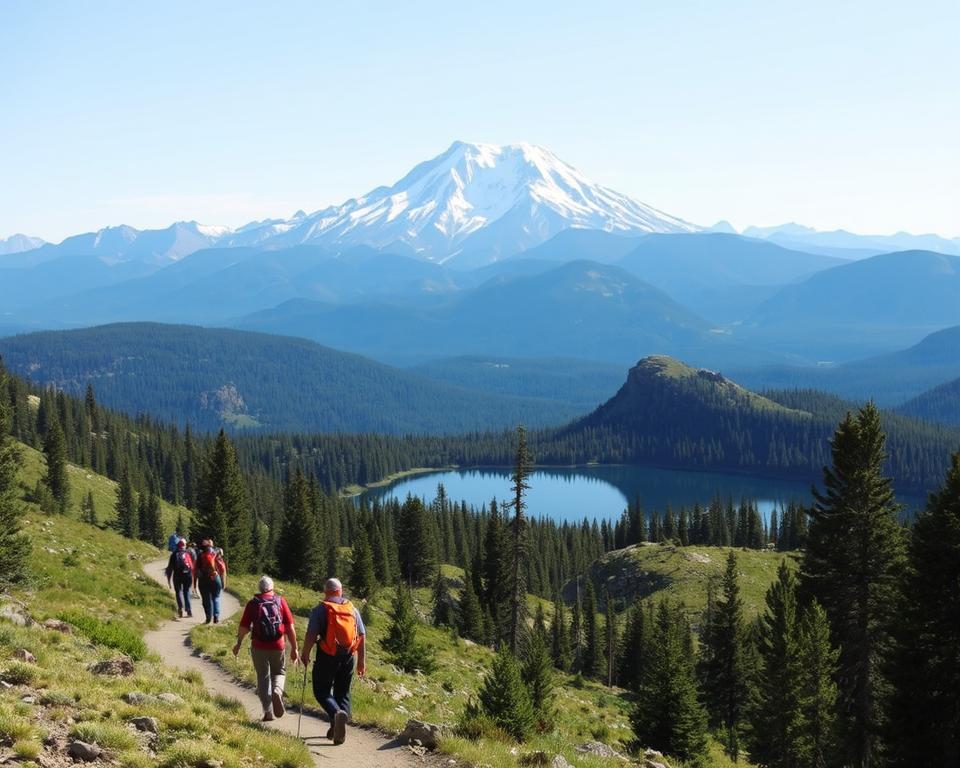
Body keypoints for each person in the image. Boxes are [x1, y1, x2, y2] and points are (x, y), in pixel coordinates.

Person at [300, 577, 366, 745]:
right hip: (349, 656)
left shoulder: (321, 609)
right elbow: (362, 636)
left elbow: (311, 635)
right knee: (342, 692)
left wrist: (305, 653)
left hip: (327, 656)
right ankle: (338, 724)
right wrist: (361, 662)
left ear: (325, 592)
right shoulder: (352, 609)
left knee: (321, 690)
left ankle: (337, 715)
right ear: (340, 590)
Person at [233, 576, 298, 722]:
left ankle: (268, 712)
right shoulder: (280, 601)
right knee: (279, 672)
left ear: (259, 588)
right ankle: (277, 690)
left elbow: (243, 627)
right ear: (272, 588)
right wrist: (295, 648)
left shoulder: (253, 604)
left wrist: (238, 643)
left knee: (263, 677)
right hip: (278, 645)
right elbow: (290, 627)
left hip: (258, 646)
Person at [194, 539, 223, 623]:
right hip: (215, 577)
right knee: (216, 597)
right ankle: (216, 616)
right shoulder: (215, 553)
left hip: (204, 580)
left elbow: (196, 570)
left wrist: (195, 584)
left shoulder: (200, 555)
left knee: (206, 600)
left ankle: (208, 617)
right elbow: (221, 566)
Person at [164, 538, 194, 618]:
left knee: (178, 592)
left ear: (177, 545)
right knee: (187, 591)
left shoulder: (174, 554)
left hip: (177, 575)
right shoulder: (188, 553)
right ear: (185, 545)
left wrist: (169, 581)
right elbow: (191, 566)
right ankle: (189, 610)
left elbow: (170, 568)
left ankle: (180, 608)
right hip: (188, 575)